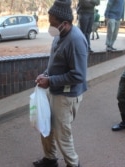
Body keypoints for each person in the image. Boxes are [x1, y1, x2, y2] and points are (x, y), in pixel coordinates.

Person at [33, 0, 88, 167]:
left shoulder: (76, 40)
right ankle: (50, 159)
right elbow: (55, 62)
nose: (50, 27)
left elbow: (79, 75)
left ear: (65, 23)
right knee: (45, 126)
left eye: (53, 24)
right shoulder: (59, 34)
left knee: (62, 135)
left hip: (66, 95)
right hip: (54, 89)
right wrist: (46, 74)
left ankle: (73, 164)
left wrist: (50, 81)